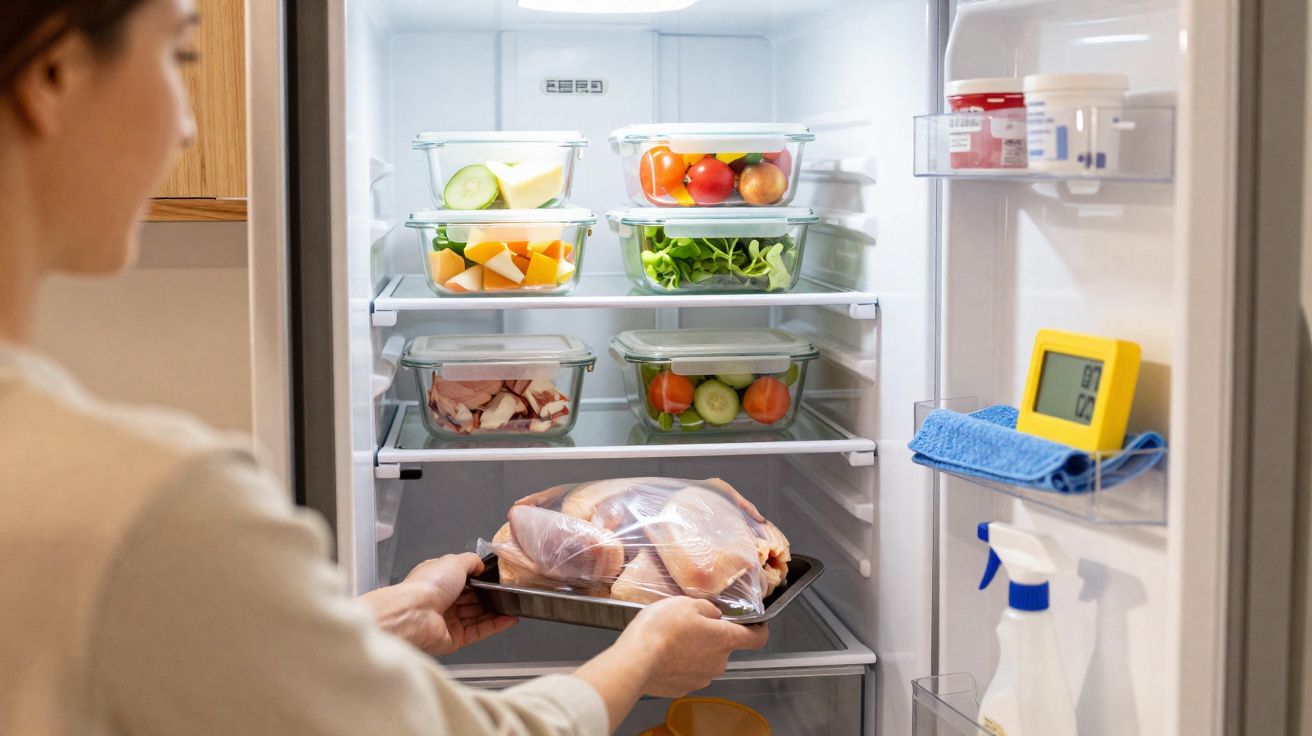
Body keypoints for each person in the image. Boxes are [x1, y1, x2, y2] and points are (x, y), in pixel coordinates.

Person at [0, 1, 769, 733]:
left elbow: (208, 673)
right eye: (178, 56)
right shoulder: (159, 502)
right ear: (53, 78)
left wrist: (383, 621)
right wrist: (641, 653)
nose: (189, 124)